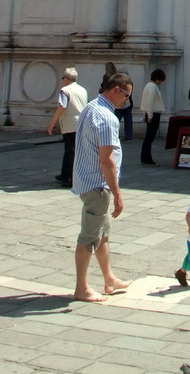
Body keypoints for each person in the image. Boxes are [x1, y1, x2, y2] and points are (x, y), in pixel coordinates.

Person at [71, 71, 133, 303]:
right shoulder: (108, 117)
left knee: (102, 234)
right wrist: (117, 194)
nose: (127, 101)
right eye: (126, 96)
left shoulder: (91, 107)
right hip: (97, 185)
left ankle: (109, 279)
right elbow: (106, 159)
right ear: (116, 90)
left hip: (86, 179)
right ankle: (81, 288)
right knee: (88, 237)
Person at [47, 68, 88, 187]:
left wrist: (52, 123)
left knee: (70, 151)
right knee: (75, 151)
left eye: (63, 78)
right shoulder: (83, 90)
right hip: (81, 123)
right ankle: (65, 174)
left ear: (66, 79)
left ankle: (70, 177)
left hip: (70, 123)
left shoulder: (65, 91)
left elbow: (62, 107)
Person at [140, 69, 166, 167]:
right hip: (153, 114)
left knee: (149, 137)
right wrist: (150, 115)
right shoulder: (152, 87)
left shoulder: (149, 85)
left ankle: (145, 157)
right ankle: (147, 158)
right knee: (149, 137)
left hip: (152, 113)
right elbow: (150, 102)